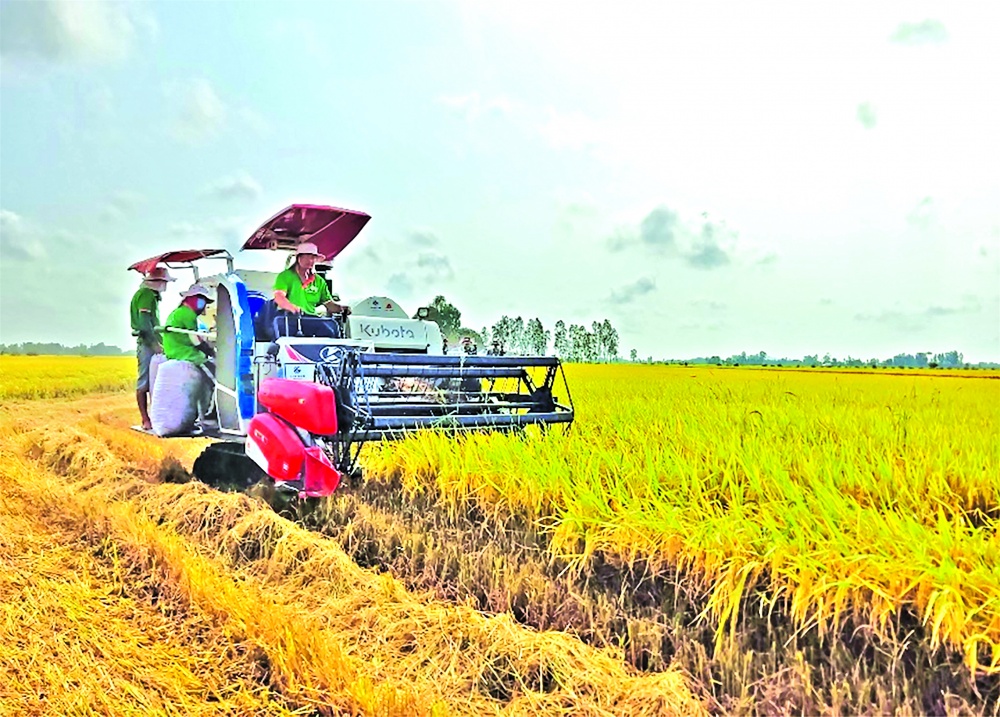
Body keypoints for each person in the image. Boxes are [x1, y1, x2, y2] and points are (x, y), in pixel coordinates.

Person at [272, 241, 350, 338]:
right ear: (299, 258)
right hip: (289, 318)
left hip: (311, 319)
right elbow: (279, 297)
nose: (311, 260)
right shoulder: (285, 276)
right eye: (308, 256)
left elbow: (328, 304)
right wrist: (293, 308)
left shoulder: (319, 281)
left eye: (313, 257)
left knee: (329, 331)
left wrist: (340, 308)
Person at [130, 265, 174, 429]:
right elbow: (144, 323)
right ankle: (146, 419)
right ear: (158, 282)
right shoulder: (146, 295)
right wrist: (154, 344)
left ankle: (154, 417)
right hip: (147, 343)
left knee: (155, 381)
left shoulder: (149, 295)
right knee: (145, 382)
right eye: (164, 282)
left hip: (152, 342)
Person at [163, 284, 217, 415]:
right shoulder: (188, 314)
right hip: (187, 355)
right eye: (202, 301)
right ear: (193, 300)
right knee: (217, 378)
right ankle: (211, 412)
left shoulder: (177, 312)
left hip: (174, 353)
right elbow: (195, 341)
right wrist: (212, 353)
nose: (204, 306)